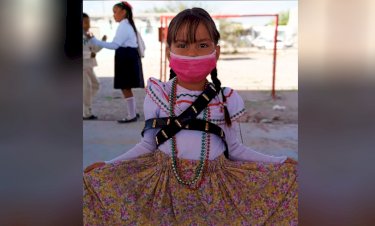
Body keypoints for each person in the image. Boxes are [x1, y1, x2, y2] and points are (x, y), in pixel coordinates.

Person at [83, 8, 298, 225]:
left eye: (202, 45)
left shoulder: (226, 99)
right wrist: (109, 165)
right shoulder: (159, 94)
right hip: (163, 189)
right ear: (169, 53)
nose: (192, 53)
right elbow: (148, 145)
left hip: (214, 192)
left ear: (217, 52)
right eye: (182, 45)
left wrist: (280, 162)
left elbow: (236, 149)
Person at [86, 1, 144, 123]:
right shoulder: (128, 24)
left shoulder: (124, 25)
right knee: (126, 87)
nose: (114, 15)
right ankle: (133, 112)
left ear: (124, 12)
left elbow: (115, 45)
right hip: (128, 56)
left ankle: (132, 115)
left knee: (125, 87)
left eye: (115, 12)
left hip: (126, 57)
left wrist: (95, 40)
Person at [83, 13, 107, 120]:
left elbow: (95, 49)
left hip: (89, 65)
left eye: (88, 22)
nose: (88, 24)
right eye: (85, 22)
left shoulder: (89, 35)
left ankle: (84, 106)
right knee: (86, 87)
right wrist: (89, 54)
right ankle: (85, 112)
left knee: (95, 84)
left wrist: (102, 42)